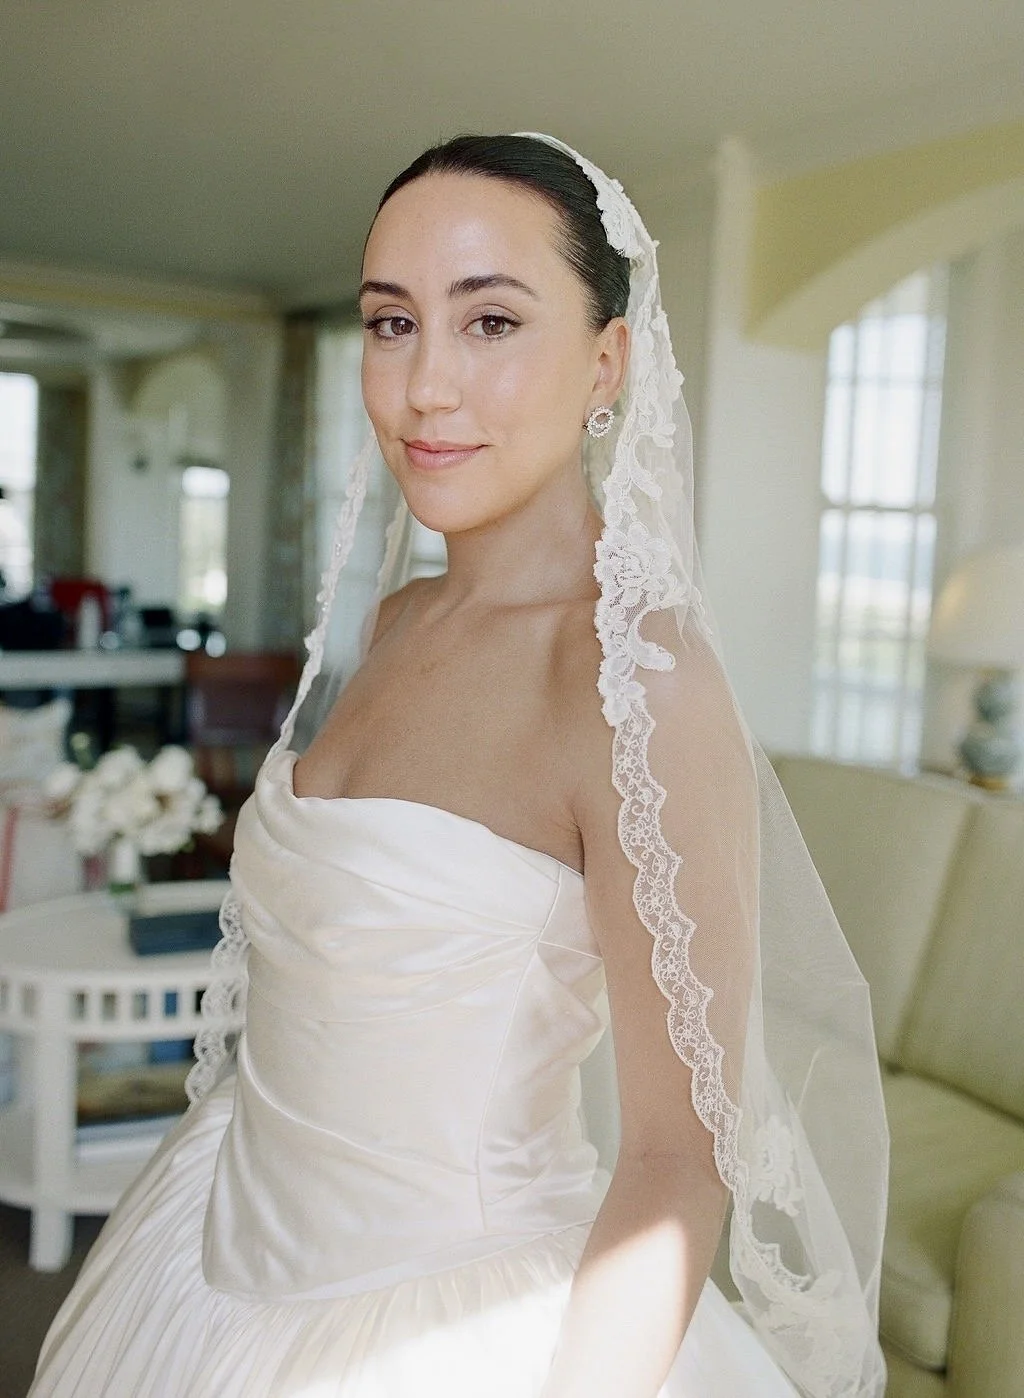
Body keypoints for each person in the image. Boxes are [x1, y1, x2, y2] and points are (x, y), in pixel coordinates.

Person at [30, 133, 888, 1398]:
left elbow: (675, 1154)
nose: (425, 385)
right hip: (214, 1246)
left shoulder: (636, 684)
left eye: (490, 321)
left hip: (451, 1326)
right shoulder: (398, 620)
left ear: (608, 361)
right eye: (391, 324)